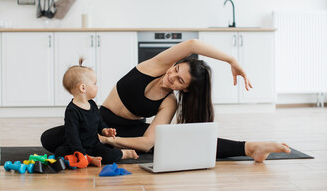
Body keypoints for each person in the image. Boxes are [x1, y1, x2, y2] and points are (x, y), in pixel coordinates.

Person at [42, 39, 291, 162]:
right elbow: (193, 44)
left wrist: (109, 140)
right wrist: (232, 61)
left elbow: (148, 143)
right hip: (97, 121)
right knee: (49, 138)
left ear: (186, 90)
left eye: (180, 81)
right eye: (176, 70)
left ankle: (250, 147)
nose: (172, 77)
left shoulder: (169, 102)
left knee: (185, 141)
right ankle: (101, 149)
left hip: (119, 132)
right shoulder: (155, 65)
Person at [52, 58, 139, 165]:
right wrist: (80, 153)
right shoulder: (72, 110)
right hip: (76, 146)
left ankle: (123, 154)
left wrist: (104, 130)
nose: (97, 86)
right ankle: (89, 159)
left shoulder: (92, 104)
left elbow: (99, 121)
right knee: (59, 153)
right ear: (83, 88)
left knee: (109, 155)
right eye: (94, 84)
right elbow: (72, 135)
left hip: (94, 144)